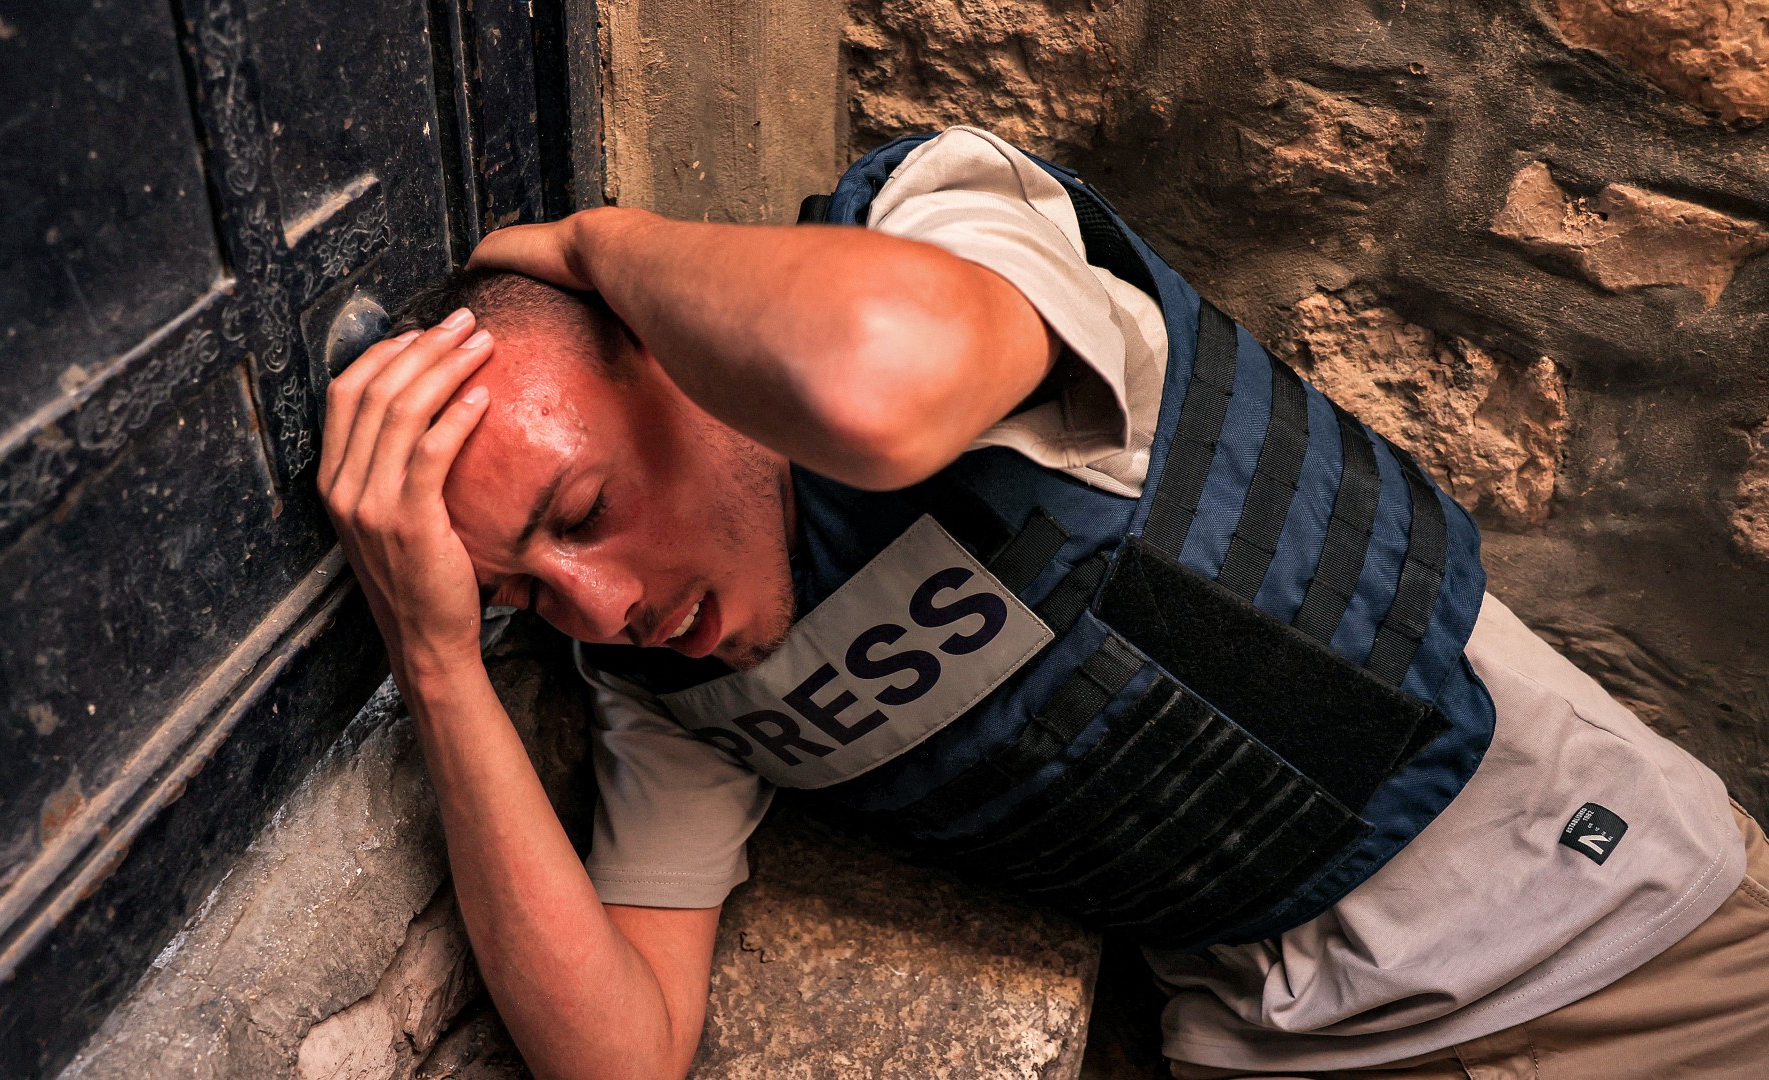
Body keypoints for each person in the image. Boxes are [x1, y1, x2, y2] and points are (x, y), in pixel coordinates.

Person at [315, 127, 1769, 1079]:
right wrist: (440, 661)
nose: (594, 610)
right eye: (521, 595)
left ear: (669, 350)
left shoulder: (947, 225)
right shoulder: (679, 681)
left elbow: (876, 391)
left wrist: (592, 246)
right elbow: (619, 1054)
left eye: (580, 513)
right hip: (1280, 1050)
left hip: (1623, 949)